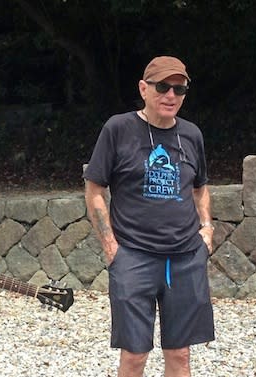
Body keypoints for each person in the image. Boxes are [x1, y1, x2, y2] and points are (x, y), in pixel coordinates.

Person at [84, 56, 215, 377]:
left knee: (181, 354)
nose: (171, 95)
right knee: (134, 355)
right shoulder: (118, 129)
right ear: (144, 89)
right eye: (162, 87)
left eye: (179, 88)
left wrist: (208, 229)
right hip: (134, 257)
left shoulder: (192, 134)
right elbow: (95, 190)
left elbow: (200, 188)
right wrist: (110, 246)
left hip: (185, 258)